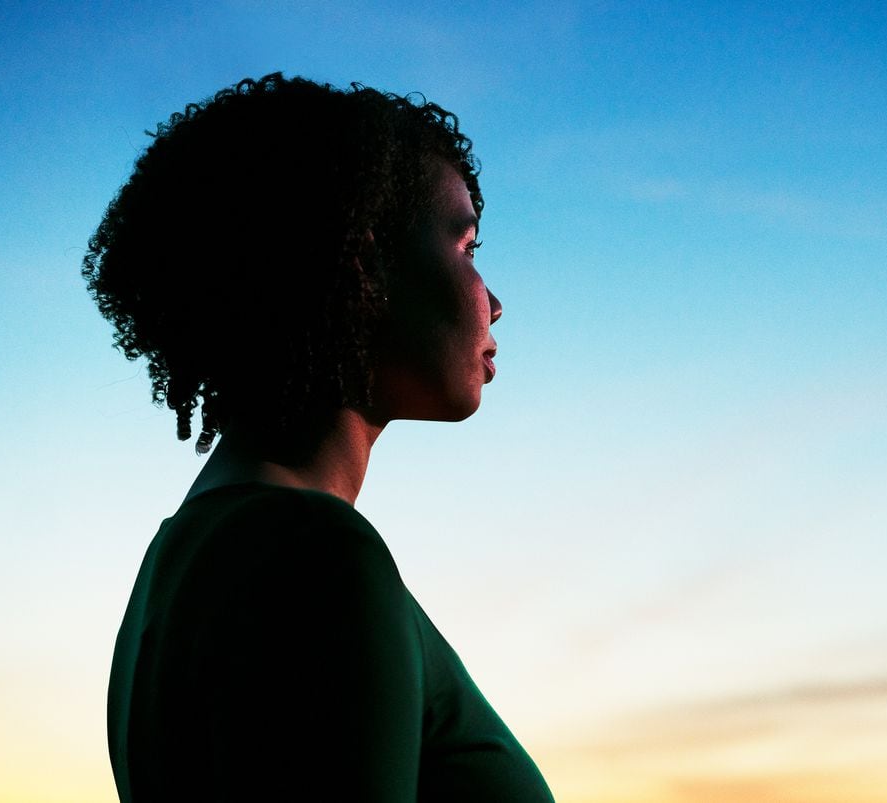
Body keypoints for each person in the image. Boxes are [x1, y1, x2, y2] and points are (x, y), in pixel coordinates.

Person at [84, 73, 554, 802]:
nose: (493, 300)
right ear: (361, 260)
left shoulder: (172, 566)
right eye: (464, 244)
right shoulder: (321, 554)